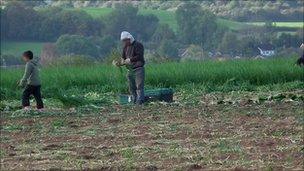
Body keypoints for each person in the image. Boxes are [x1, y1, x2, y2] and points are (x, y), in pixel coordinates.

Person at [116, 31, 145, 105]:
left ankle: (140, 101)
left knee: (139, 85)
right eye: (123, 41)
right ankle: (134, 100)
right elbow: (123, 58)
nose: (125, 42)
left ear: (129, 38)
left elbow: (139, 56)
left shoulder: (138, 45)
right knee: (131, 86)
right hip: (130, 69)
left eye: (126, 40)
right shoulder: (125, 47)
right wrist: (119, 63)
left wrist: (130, 59)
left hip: (138, 68)